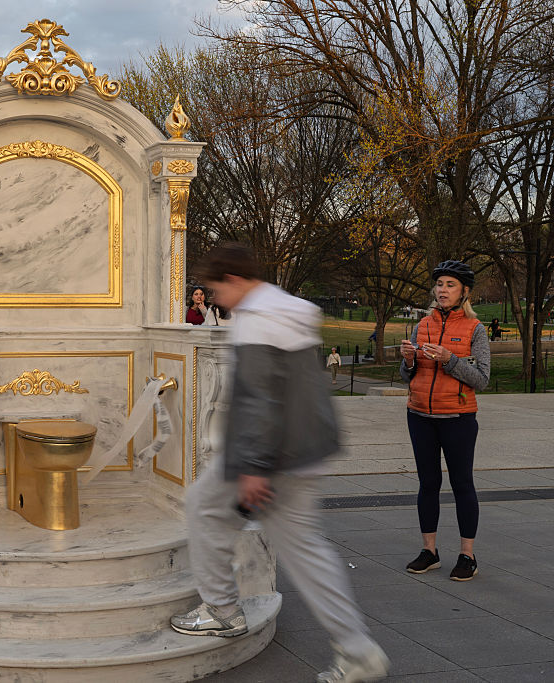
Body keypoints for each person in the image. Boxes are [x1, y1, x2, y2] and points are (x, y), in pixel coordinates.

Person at [170, 244, 389, 683]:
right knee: (306, 553)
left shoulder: (256, 321)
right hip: (302, 451)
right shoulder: (288, 309)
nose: (212, 299)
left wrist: (253, 468)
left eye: (214, 289)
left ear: (233, 281)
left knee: (202, 504)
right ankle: (358, 649)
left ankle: (222, 609)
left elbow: (257, 401)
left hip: (269, 456)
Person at [399, 260, 489, 582]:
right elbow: (407, 375)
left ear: (464, 291)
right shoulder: (423, 325)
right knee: (428, 483)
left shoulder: (475, 330)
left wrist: (450, 360)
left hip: (458, 418)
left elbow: (481, 379)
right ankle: (430, 551)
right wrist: (409, 360)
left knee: (462, 484)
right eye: (439, 285)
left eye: (450, 285)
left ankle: (468, 555)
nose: (442, 290)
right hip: (420, 415)